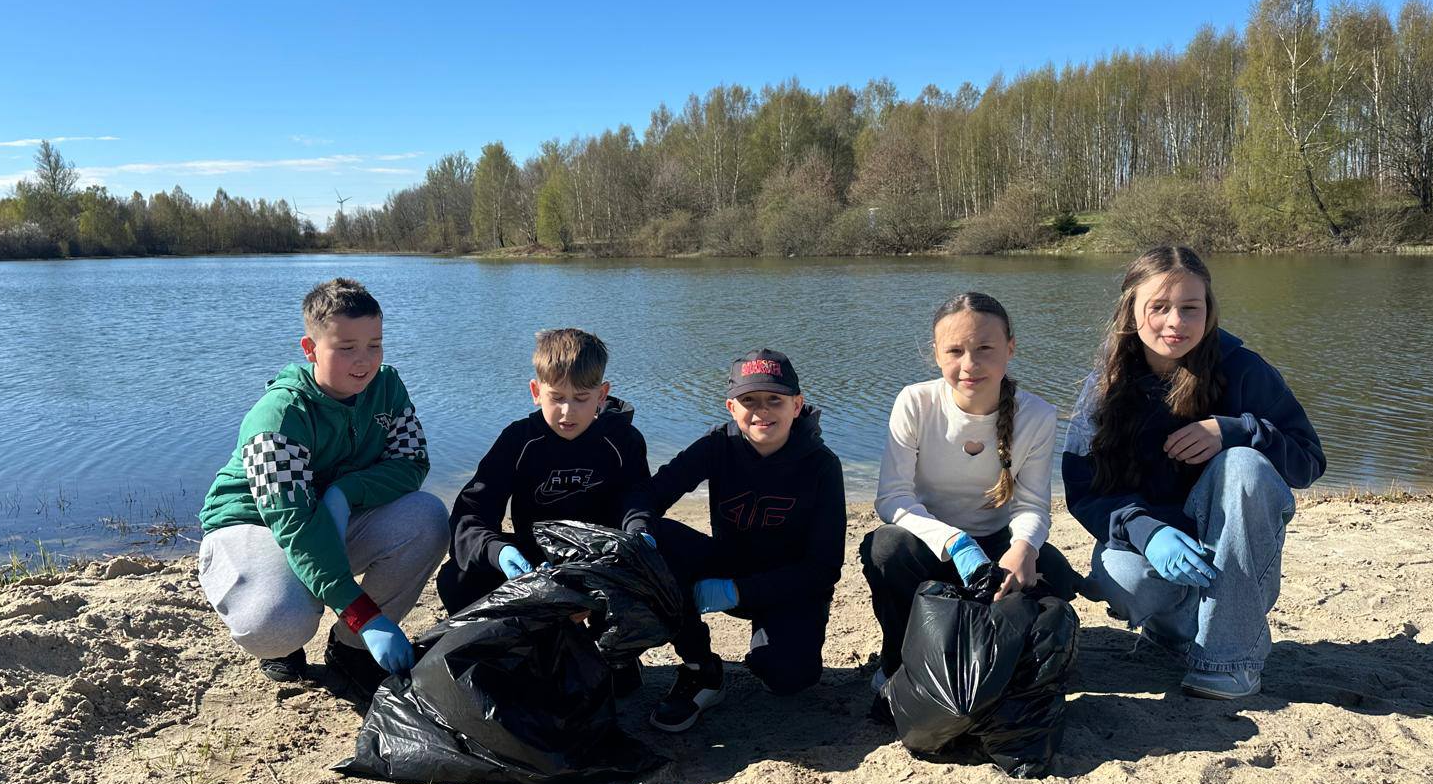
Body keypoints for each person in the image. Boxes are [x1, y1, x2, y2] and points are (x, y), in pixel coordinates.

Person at [1063, 245, 1325, 700]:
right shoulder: (1106, 383)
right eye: (1159, 307)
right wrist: (1147, 530)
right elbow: (1084, 490)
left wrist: (1237, 430)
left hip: (1238, 554)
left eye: (1190, 308)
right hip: (1160, 549)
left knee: (1243, 464)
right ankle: (1178, 631)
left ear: (1209, 310)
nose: (1175, 322)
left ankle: (1229, 660)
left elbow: (1308, 462)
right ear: (1131, 310)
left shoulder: (1243, 369)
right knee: (1121, 576)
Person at [197, 277, 449, 698]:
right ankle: (285, 643)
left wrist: (346, 492)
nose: (363, 360)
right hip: (256, 525)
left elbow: (412, 463)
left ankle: (349, 651)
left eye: (375, 344)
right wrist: (364, 614)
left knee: (427, 517)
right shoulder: (277, 418)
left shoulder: (387, 387)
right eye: (346, 347)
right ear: (310, 349)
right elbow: (295, 526)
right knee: (277, 622)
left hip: (333, 513)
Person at [859, 291, 1075, 721]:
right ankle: (898, 663)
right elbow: (893, 498)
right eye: (955, 351)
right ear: (935, 354)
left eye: (985, 348)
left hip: (995, 544)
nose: (970, 364)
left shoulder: (1038, 415)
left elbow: (1032, 505)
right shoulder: (915, 403)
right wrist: (956, 543)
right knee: (884, 550)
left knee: (1059, 583)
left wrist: (1023, 548)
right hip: (928, 546)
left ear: (1010, 349)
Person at [645, 349, 845, 732]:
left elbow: (823, 570)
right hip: (727, 562)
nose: (762, 411)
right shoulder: (718, 445)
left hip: (791, 585)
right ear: (731, 407)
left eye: (775, 400)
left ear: (797, 404)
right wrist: (639, 533)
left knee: (789, 679)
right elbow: (652, 495)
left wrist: (738, 592)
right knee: (652, 537)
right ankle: (700, 669)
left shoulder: (822, 465)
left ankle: (768, 641)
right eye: (749, 401)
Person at [437, 328, 656, 617]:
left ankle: (625, 655)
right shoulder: (518, 441)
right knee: (456, 579)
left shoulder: (623, 439)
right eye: (557, 398)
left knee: (664, 556)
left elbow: (637, 496)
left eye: (581, 398)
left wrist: (638, 531)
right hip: (537, 561)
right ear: (536, 392)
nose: (568, 412)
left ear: (602, 395)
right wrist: (498, 551)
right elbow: (472, 513)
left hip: (604, 560)